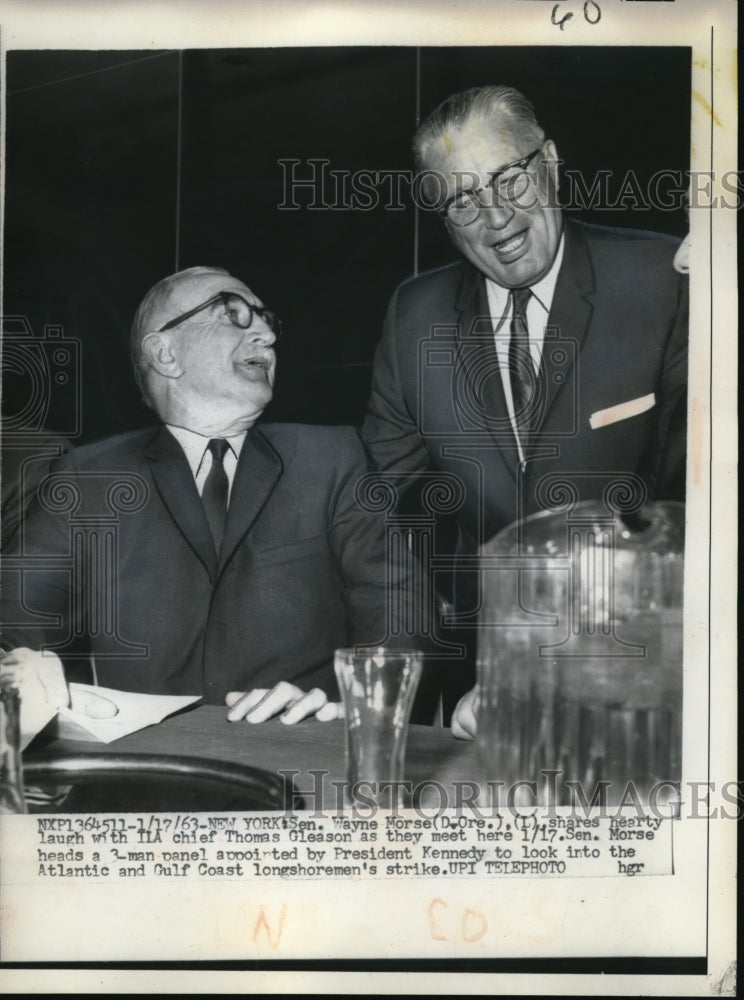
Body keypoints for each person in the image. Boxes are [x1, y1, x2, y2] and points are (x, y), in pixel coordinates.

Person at [362, 85, 688, 715]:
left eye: (510, 180)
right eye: (463, 200)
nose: (496, 218)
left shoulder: (661, 281)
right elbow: (368, 506)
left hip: (645, 673)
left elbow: (699, 506)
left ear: (551, 163)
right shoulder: (415, 317)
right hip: (486, 686)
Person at [1, 266, 428, 726]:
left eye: (267, 320)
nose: (267, 335)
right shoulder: (87, 478)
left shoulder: (333, 459)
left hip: (300, 748)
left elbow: (399, 613)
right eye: (234, 313)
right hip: (145, 759)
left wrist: (359, 707)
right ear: (165, 353)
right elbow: (14, 628)